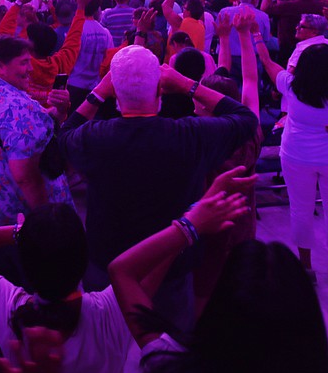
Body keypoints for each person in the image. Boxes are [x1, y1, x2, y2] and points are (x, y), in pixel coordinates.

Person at [55, 46, 258, 331]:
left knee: (109, 342)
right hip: (172, 263)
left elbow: (64, 135)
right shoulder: (189, 136)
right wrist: (188, 84)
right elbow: (246, 119)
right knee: (169, 349)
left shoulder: (95, 138)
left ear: (115, 97)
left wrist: (99, 91)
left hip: (107, 261)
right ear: (161, 94)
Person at [109, 167, 328, 373]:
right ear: (305, 313)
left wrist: (192, 222)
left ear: (219, 307)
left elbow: (122, 271)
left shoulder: (169, 361)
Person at [0, 203, 138, 373]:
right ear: (83, 259)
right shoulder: (113, 309)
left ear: (25, 265)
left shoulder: (10, 309)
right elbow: (148, 265)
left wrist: (19, 232)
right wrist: (170, 231)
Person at [253, 7, 328, 276]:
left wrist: (256, 34)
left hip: (296, 156)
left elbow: (267, 62)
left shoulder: (291, 85)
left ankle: (306, 267)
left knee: (300, 210)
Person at [0, 36, 73, 234]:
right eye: (23, 63)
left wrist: (61, 109)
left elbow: (28, 127)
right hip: (19, 219)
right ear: (0, 67)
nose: (30, 69)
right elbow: (26, 177)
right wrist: (47, 221)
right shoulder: (17, 107)